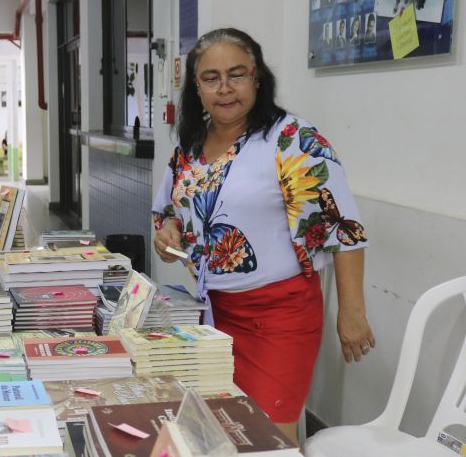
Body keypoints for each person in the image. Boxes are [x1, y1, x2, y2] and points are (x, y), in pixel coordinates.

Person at [152, 28, 374, 444]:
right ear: (196, 87)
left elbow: (343, 228)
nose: (225, 88)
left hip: (279, 317)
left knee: (269, 439)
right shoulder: (190, 145)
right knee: (221, 430)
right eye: (211, 78)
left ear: (258, 78)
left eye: (237, 74)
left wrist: (352, 312)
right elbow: (170, 213)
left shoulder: (292, 140)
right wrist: (167, 234)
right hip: (213, 314)